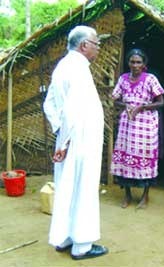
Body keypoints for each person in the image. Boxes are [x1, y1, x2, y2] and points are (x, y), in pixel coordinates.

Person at [43, 25, 108, 260]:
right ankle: (82, 246)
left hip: (70, 138)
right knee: (83, 188)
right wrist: (66, 142)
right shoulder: (78, 69)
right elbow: (72, 110)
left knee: (68, 187)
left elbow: (49, 105)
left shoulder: (64, 66)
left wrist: (60, 135)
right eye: (96, 43)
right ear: (84, 45)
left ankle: (65, 238)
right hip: (79, 141)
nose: (98, 48)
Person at [110, 48, 164, 209]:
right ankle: (127, 195)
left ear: (144, 64)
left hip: (146, 125)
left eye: (138, 62)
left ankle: (145, 196)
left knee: (145, 158)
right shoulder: (123, 79)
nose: (135, 65)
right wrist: (126, 105)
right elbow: (115, 99)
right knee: (125, 157)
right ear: (128, 63)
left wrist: (142, 107)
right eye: (132, 62)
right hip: (127, 125)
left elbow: (161, 102)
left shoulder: (150, 79)